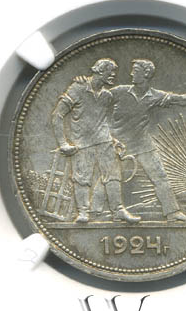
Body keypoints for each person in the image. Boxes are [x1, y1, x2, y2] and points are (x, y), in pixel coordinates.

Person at [110, 59, 186, 222]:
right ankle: (95, 212)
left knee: (160, 176)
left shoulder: (154, 96)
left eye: (136, 71)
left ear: (146, 74)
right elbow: (96, 99)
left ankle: (172, 212)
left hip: (142, 143)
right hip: (117, 144)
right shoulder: (119, 91)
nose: (131, 74)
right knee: (108, 178)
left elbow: (178, 99)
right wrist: (83, 85)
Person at [51, 58, 140, 224]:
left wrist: (113, 140)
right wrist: (63, 143)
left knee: (113, 176)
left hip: (105, 142)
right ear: (100, 71)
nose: (113, 76)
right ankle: (83, 212)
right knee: (82, 178)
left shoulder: (107, 95)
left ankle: (118, 211)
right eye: (110, 72)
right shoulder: (78, 88)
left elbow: (101, 121)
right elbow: (57, 115)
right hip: (82, 144)